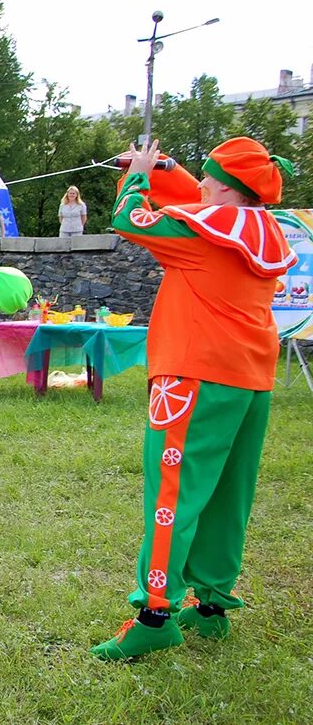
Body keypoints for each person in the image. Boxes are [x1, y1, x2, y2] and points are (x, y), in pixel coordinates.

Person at [90, 138, 296, 660]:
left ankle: (156, 615)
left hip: (194, 378)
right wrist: (168, 169)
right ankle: (211, 609)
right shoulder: (260, 228)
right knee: (229, 495)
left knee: (172, 497)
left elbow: (131, 219)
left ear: (227, 187)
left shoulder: (202, 236)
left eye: (208, 176)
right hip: (251, 379)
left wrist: (137, 175)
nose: (199, 184)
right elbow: (201, 199)